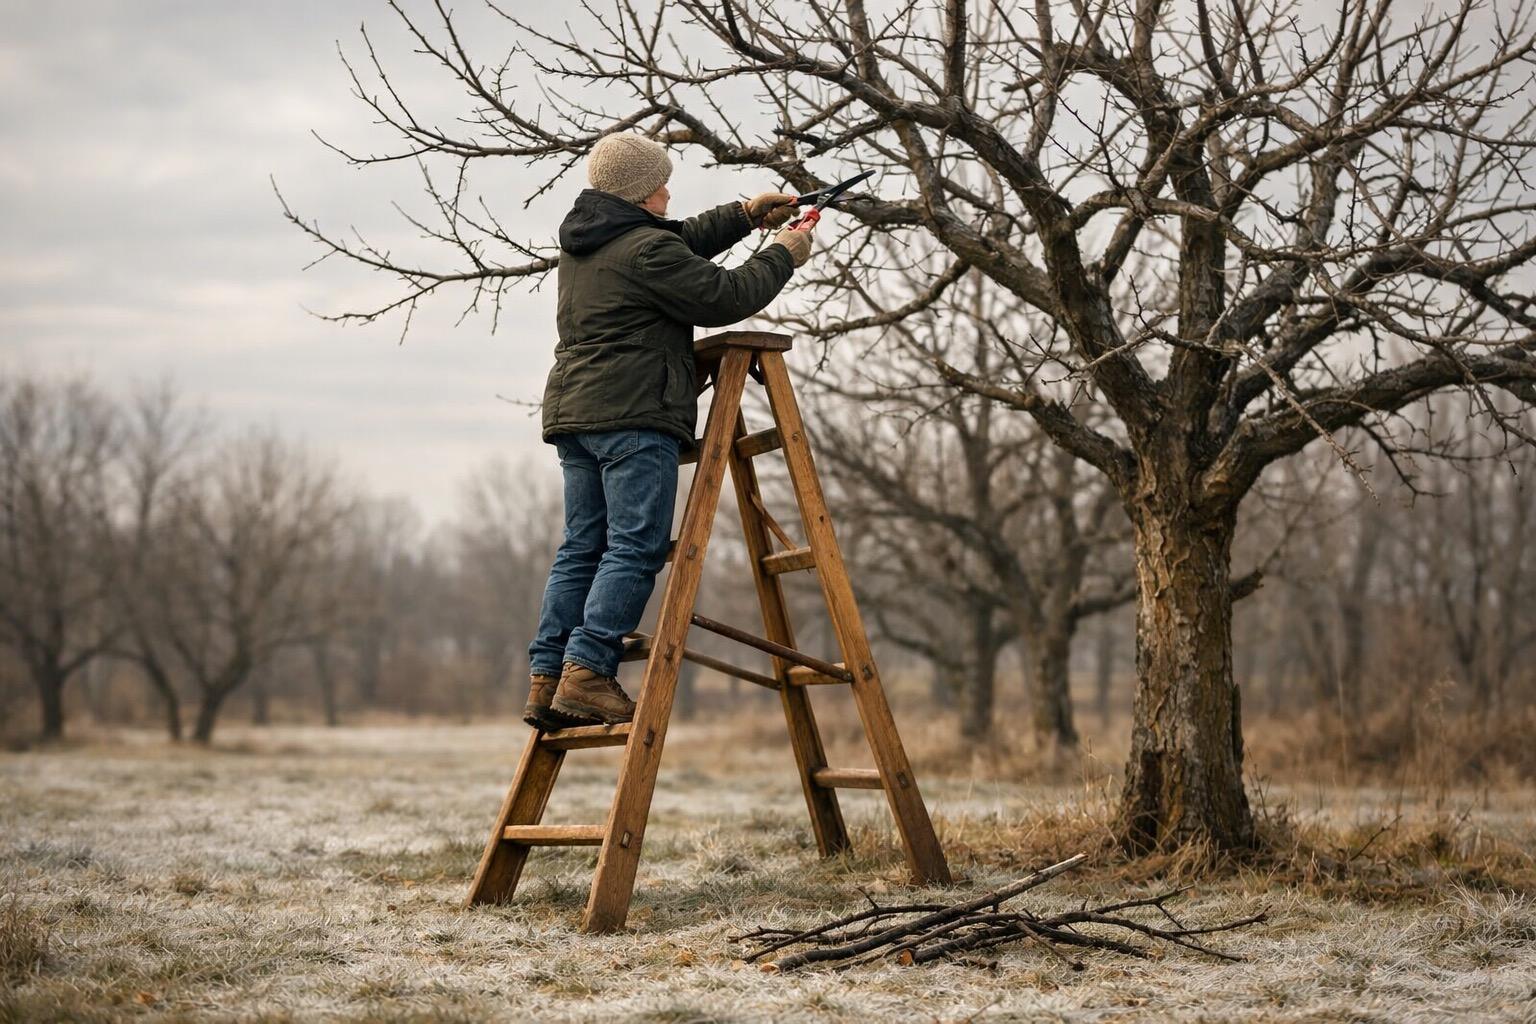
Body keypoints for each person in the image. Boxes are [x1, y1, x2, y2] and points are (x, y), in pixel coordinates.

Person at [523, 132, 815, 729]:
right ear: (637, 192)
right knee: (637, 545)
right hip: (633, 415)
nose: (667, 190)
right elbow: (726, 295)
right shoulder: (643, 253)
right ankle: (588, 673)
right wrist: (784, 252)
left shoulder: (592, 245)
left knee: (583, 548)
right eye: (659, 182)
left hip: (578, 416)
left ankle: (549, 675)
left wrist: (745, 215)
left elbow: (677, 243)